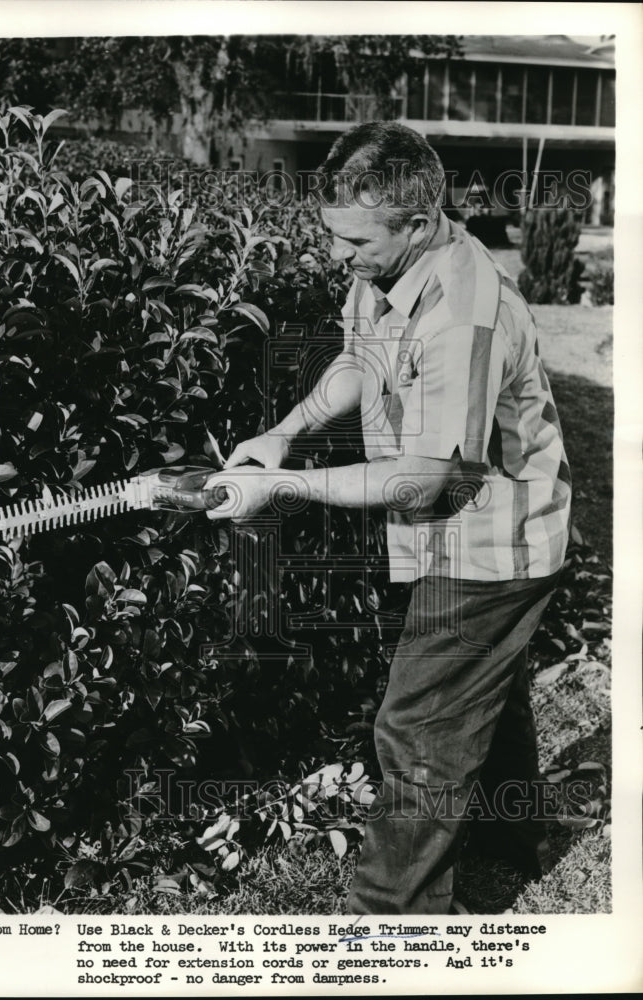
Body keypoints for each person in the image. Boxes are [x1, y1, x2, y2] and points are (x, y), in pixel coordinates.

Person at [205, 121, 571, 915]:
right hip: (452, 527)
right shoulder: (384, 267)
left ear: (416, 222)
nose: (339, 256)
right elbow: (359, 360)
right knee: (481, 687)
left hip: (492, 541)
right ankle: (511, 844)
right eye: (333, 235)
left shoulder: (461, 312)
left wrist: (287, 488)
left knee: (417, 732)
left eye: (354, 240)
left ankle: (389, 924)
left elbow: (423, 478)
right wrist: (283, 433)